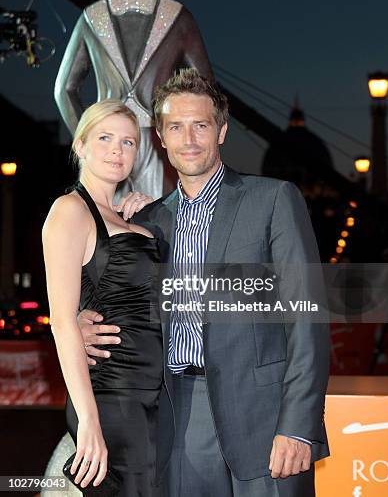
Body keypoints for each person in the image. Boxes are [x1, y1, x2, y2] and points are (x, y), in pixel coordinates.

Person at [78, 70, 330, 497]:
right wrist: (83, 319)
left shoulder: (272, 199)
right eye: (176, 127)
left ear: (222, 131)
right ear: (160, 137)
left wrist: (298, 427)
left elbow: (307, 319)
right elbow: (116, 297)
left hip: (264, 417)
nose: (189, 139)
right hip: (178, 415)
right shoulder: (145, 222)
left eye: (201, 125)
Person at [42, 99, 163, 497]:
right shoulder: (70, 211)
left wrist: (155, 217)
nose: (117, 150)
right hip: (112, 398)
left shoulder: (132, 216)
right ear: (80, 146)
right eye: (106, 138)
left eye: (128, 142)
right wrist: (90, 420)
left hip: (156, 396)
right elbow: (61, 322)